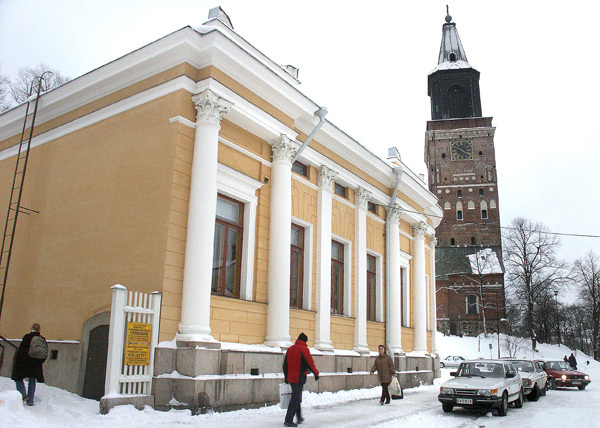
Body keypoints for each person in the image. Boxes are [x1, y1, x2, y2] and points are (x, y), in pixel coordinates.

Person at [282, 333, 319, 427]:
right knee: (296, 398)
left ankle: (299, 417)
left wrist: (286, 377)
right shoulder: (304, 349)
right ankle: (288, 420)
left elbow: (285, 365)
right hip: (299, 377)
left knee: (297, 396)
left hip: (291, 377)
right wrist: (316, 373)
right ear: (305, 341)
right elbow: (310, 363)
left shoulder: (290, 349)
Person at [11, 323, 46, 406]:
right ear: (39, 329)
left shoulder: (27, 337)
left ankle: (23, 395)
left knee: (18, 378)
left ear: (31, 328)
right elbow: (44, 352)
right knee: (32, 380)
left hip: (24, 362)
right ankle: (30, 400)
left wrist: (17, 360)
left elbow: (21, 350)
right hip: (36, 364)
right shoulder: (42, 339)